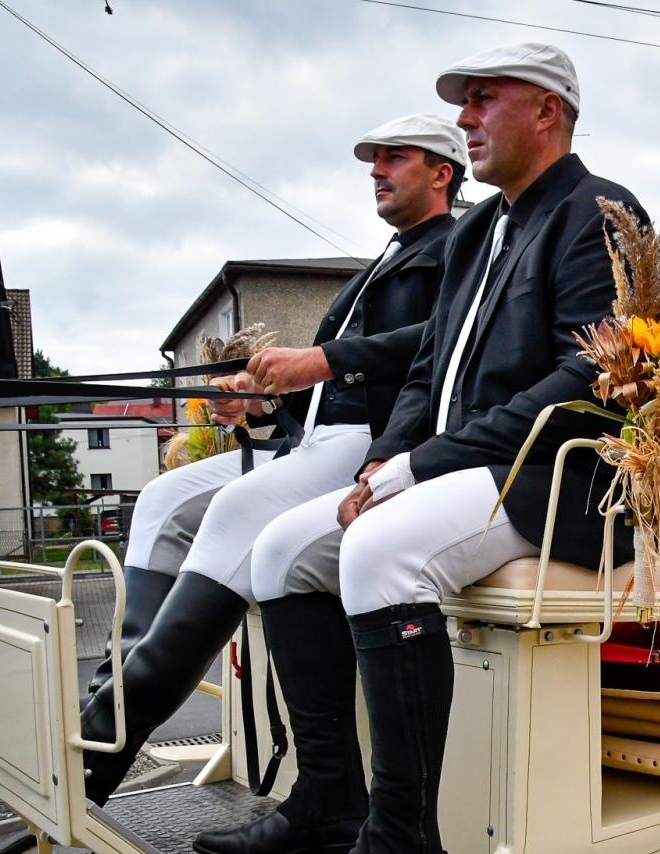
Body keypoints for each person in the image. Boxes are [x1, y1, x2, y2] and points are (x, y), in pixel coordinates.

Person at [209, 43, 647, 854]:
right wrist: (389, 459)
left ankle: (401, 852)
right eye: (464, 103)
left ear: (548, 113)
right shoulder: (481, 229)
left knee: (378, 549)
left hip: (552, 482)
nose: (466, 118)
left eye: (485, 101)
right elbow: (427, 368)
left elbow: (583, 379)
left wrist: (420, 467)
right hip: (461, 468)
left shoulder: (600, 213)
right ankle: (330, 796)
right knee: (284, 551)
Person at [78, 114, 466, 804]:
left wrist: (321, 359)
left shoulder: (459, 245)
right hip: (313, 440)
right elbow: (319, 397)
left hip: (372, 441)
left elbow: (442, 343)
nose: (376, 170)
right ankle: (116, 680)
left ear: (442, 172)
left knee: (236, 509)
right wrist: (260, 406)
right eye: (372, 159)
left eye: (392, 158)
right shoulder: (384, 260)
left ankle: (108, 733)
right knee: (165, 498)